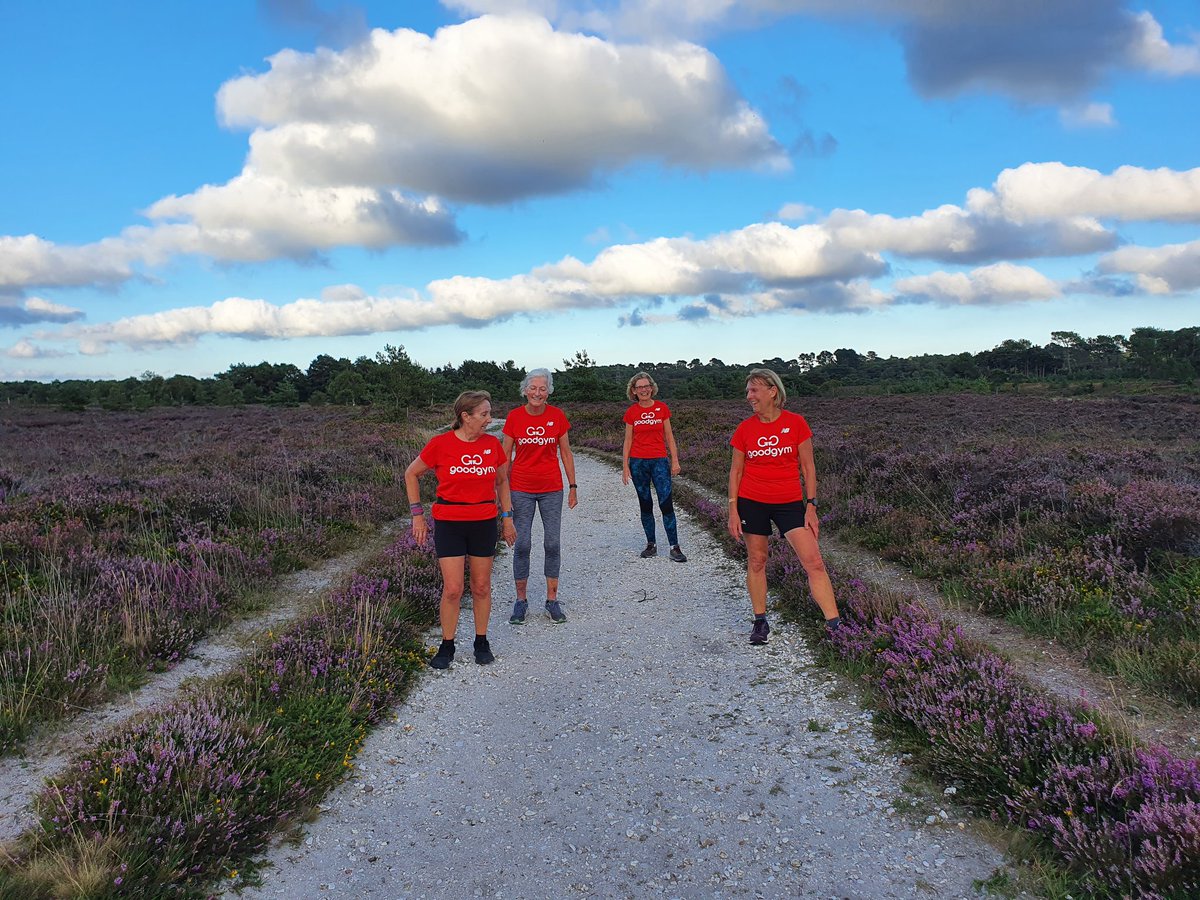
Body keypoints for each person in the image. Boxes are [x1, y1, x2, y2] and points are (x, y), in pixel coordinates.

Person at [727, 368, 841, 645]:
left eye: (754, 390)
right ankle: (760, 622)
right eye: (748, 391)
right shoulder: (745, 429)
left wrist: (811, 506)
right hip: (752, 501)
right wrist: (733, 510)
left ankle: (836, 626)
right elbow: (736, 472)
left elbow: (808, 468)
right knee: (757, 561)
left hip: (789, 503)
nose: (749, 396)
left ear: (772, 391)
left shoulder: (796, 423)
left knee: (814, 561)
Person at [405, 390, 516, 668]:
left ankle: (481, 642)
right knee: (453, 589)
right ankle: (447, 645)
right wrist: (417, 515)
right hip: (450, 523)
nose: (489, 419)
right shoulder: (440, 444)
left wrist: (507, 517)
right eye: (484, 414)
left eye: (489, 413)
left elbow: (502, 481)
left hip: (483, 522)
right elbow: (411, 473)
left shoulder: (492, 445)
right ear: (465, 416)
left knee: (481, 586)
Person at [501, 368, 578, 625]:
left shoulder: (557, 416)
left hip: (551, 489)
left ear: (549, 392)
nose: (537, 392)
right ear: (525, 390)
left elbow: (565, 452)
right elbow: (505, 456)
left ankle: (552, 600)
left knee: (552, 543)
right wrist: (502, 492)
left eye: (542, 388)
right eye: (533, 388)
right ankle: (521, 601)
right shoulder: (514, 417)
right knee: (522, 544)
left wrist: (573, 486)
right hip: (521, 488)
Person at [621, 372, 687, 563]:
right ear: (634, 391)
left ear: (652, 387)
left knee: (666, 504)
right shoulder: (631, 412)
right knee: (645, 504)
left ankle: (674, 547)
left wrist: (675, 460)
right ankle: (651, 545)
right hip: (638, 463)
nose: (644, 390)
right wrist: (625, 466)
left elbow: (669, 436)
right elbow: (627, 440)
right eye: (639, 387)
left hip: (659, 461)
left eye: (646, 386)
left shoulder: (662, 408)